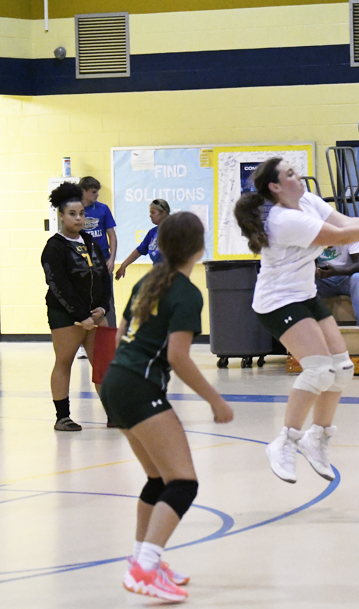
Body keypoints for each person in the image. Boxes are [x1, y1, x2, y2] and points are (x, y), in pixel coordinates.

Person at [234, 157, 359, 484]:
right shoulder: (284, 219)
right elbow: (339, 237)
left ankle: (317, 438)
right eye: (290, 174)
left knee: (342, 369)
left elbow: (345, 222)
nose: (298, 176)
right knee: (318, 370)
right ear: (275, 187)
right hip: (277, 301)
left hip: (304, 294)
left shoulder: (308, 201)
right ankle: (284, 442)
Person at [100, 212, 233, 602]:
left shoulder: (147, 281)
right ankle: (145, 567)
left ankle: (143, 559)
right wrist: (216, 400)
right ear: (198, 248)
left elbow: (121, 336)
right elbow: (178, 356)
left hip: (115, 381)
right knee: (183, 483)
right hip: (138, 387)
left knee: (159, 479)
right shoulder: (187, 293)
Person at [41, 182, 112, 432]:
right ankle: (63, 417)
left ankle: (114, 413)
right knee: (64, 362)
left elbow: (103, 277)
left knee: (104, 364)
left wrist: (102, 308)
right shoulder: (54, 247)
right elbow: (58, 286)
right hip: (66, 316)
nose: (78, 218)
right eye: (72, 214)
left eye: (81, 213)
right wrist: (82, 316)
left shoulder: (91, 242)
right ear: (61, 216)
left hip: (95, 314)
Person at [79, 176, 118, 327]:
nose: (97, 195)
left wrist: (112, 259)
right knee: (83, 298)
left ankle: (111, 335)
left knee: (107, 299)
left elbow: (112, 235)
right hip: (82, 261)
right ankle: (84, 335)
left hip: (102, 260)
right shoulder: (76, 211)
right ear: (83, 191)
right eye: (93, 192)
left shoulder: (103, 209)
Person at [315, 240, 359, 326]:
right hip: (325, 280)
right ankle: (308, 327)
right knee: (305, 280)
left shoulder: (352, 235)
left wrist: (335, 272)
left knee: (358, 278)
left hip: (350, 277)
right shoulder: (314, 237)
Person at [115, 199, 171, 280]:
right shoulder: (152, 233)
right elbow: (139, 251)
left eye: (153, 212)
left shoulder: (174, 230)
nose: (150, 215)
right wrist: (124, 265)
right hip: (158, 275)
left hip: (172, 275)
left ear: (163, 213)